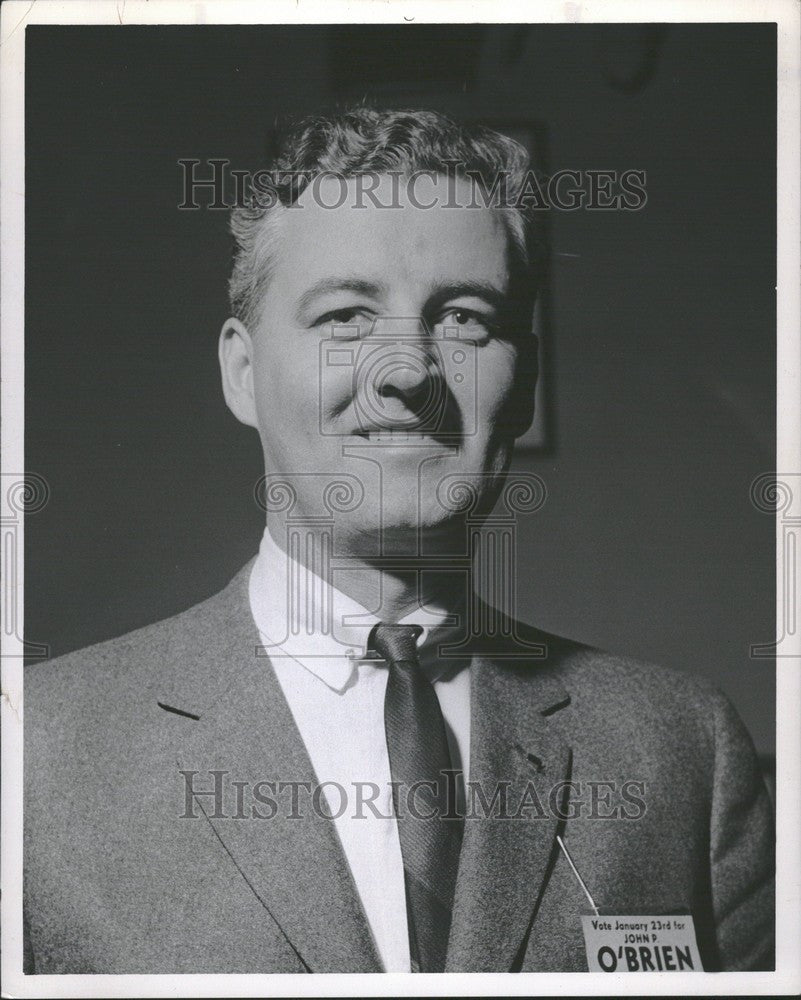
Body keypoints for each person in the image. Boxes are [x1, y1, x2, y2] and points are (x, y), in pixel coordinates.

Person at [23, 107, 773, 974]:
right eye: (345, 315)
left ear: (522, 382)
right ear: (242, 372)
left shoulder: (683, 749)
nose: (408, 370)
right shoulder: (36, 755)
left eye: (462, 318)